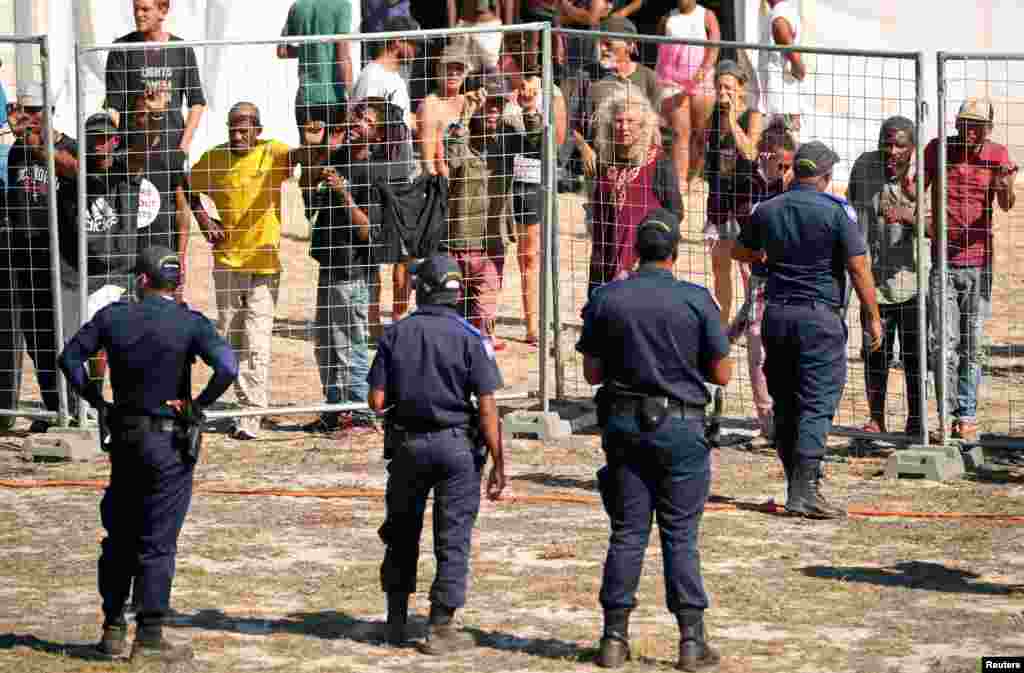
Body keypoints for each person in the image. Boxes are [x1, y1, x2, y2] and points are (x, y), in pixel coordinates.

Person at [57, 246, 238, 665]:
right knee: (158, 542)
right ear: (173, 284)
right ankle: (150, 636)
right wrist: (198, 405)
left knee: (120, 535)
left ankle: (113, 628)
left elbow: (70, 359)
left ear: (140, 280)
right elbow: (228, 367)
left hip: (124, 438)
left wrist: (96, 401)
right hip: (168, 442)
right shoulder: (189, 322)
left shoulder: (114, 317)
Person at [577, 208, 731, 671]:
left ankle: (613, 638)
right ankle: (690, 641)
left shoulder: (607, 298)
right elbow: (722, 372)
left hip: (624, 425)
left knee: (627, 533)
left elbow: (591, 372)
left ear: (635, 249)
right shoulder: (697, 300)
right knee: (680, 535)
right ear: (676, 251)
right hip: (681, 426)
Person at [733, 140, 882, 519]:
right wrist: (873, 316)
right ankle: (805, 490)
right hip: (819, 318)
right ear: (827, 176)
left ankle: (797, 484)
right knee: (817, 403)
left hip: (778, 316)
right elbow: (859, 267)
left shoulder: (768, 209)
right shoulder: (836, 212)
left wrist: (765, 257)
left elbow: (740, 251)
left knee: (786, 401)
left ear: (793, 172)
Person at [368, 254, 506, 653]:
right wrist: (499, 462)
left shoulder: (396, 334)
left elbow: (377, 401)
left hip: (408, 447)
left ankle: (395, 621)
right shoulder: (471, 337)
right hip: (458, 447)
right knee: (453, 537)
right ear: (458, 292)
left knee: (401, 533)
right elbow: (487, 406)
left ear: (418, 289)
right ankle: (441, 626)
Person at [303, 98, 414, 434]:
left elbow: (369, 231)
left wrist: (344, 194)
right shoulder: (340, 157)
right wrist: (317, 149)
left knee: (350, 341)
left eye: (365, 120)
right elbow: (308, 191)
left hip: (353, 269)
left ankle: (359, 413)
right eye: (355, 117)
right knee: (324, 341)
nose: (354, 124)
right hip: (330, 261)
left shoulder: (381, 172)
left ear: (379, 134)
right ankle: (334, 409)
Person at [188, 102, 296, 440]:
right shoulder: (214, 159)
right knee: (231, 337)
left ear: (258, 130)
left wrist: (314, 141)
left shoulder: (271, 153)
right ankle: (242, 404)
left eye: (245, 127)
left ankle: (252, 414)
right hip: (228, 263)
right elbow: (186, 184)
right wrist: (204, 220)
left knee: (258, 338)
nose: (238, 133)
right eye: (233, 127)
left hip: (264, 263)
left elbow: (301, 158)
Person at [924, 99, 1017, 441]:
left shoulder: (997, 154)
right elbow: (916, 189)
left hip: (979, 263)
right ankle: (944, 417)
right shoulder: (938, 150)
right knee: (942, 343)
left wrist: (1005, 182)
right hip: (943, 262)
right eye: (964, 123)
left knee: (972, 343)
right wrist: (925, 220)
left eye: (976, 125)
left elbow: (1006, 204)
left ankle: (966, 414)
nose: (969, 131)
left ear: (988, 128)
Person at [6, 83, 79, 431]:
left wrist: (36, 144)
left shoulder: (68, 146)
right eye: (23, 109)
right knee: (36, 337)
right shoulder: (15, 152)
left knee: (62, 334)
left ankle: (74, 406)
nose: (27, 116)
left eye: (34, 110)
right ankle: (53, 406)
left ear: (48, 112)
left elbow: (75, 170)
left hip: (59, 255)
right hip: (25, 253)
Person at [848, 116, 925, 439]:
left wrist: (909, 216)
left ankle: (916, 421)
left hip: (912, 281)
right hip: (872, 281)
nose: (891, 151)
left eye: (900, 145)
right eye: (887, 143)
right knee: (875, 352)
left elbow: (937, 223)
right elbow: (852, 214)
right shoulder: (864, 167)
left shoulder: (925, 175)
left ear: (913, 148)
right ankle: (876, 418)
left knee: (914, 357)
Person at [727, 121, 796, 445]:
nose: (784, 171)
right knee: (756, 341)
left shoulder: (796, 188)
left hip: (789, 277)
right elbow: (743, 225)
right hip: (758, 272)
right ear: (765, 156)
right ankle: (766, 418)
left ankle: (787, 417)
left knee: (783, 346)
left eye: (789, 165)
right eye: (779, 164)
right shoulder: (747, 182)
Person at [499, 32, 568, 344]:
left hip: (532, 178)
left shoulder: (549, 93)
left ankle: (533, 324)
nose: (502, 63)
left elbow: (557, 143)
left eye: (506, 58)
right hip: (500, 180)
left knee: (532, 254)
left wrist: (531, 113)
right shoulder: (499, 91)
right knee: (500, 250)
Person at [588, 87, 682, 293]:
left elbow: (675, 214)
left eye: (630, 121)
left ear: (643, 125)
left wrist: (649, 256)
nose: (624, 127)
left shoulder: (659, 162)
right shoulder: (605, 162)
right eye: (619, 121)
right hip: (605, 263)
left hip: (645, 271)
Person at [702, 60, 764, 327]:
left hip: (744, 200)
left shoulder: (752, 116)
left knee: (751, 268)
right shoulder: (713, 115)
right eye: (719, 87)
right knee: (720, 266)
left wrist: (730, 120)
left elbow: (750, 152)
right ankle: (722, 323)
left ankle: (753, 320)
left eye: (728, 87)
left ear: (741, 88)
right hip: (719, 199)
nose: (722, 93)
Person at [104, 0, 207, 156]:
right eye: (136, 9)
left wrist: (184, 144)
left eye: (145, 9)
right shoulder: (121, 48)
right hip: (134, 150)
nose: (139, 15)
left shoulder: (182, 49)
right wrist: (127, 141)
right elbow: (112, 106)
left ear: (163, 10)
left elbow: (197, 102)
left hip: (171, 148)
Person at [656, 0, 720, 192]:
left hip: (702, 79)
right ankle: (681, 179)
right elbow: (660, 47)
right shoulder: (667, 17)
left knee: (700, 132)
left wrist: (704, 68)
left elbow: (715, 45)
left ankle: (695, 175)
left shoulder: (707, 15)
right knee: (680, 132)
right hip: (673, 81)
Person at [278, 0, 354, 139]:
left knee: (309, 156)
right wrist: (353, 97)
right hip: (333, 98)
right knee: (336, 156)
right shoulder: (342, 5)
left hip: (305, 98)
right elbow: (343, 56)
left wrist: (309, 50)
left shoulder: (297, 6)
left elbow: (282, 51)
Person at [351, 14, 420, 133]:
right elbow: (362, 125)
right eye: (414, 44)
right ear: (398, 41)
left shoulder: (395, 77)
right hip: (382, 151)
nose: (418, 49)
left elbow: (402, 119)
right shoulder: (373, 76)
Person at [757, 0, 807, 138]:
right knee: (778, 148)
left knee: (783, 147)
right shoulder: (780, 11)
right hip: (780, 99)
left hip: (781, 99)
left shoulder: (780, 12)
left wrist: (799, 67)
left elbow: (780, 26)